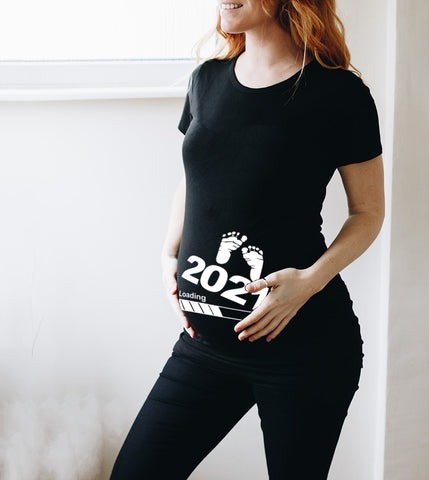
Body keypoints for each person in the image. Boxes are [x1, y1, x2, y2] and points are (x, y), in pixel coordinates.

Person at [109, 0, 384, 478]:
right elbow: (195, 178)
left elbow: (368, 214)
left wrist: (309, 282)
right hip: (206, 347)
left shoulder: (338, 93)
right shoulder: (206, 80)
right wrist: (169, 253)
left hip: (303, 350)